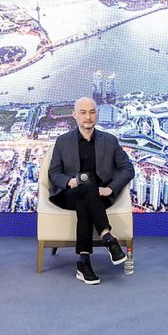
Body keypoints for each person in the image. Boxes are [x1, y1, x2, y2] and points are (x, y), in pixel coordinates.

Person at [48, 97, 135, 285]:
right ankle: (107, 237)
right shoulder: (62, 141)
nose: (88, 117)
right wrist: (69, 181)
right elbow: (54, 173)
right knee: (85, 191)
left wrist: (110, 189)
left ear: (97, 114)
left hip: (98, 195)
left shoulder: (109, 141)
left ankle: (84, 262)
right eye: (83, 112)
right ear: (74, 115)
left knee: (85, 201)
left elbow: (128, 169)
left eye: (92, 112)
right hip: (69, 194)